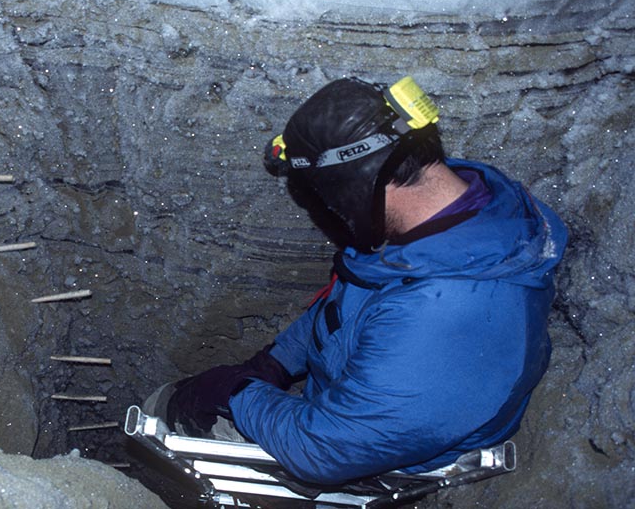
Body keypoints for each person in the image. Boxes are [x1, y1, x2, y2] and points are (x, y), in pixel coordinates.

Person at [145, 76, 568, 486]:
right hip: (363, 401)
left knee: (175, 429)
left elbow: (323, 450)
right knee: (173, 404)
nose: (334, 215)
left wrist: (235, 394)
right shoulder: (438, 222)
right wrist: (277, 360)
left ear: (359, 189)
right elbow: (346, 307)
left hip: (373, 457)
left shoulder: (447, 315)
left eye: (331, 201)